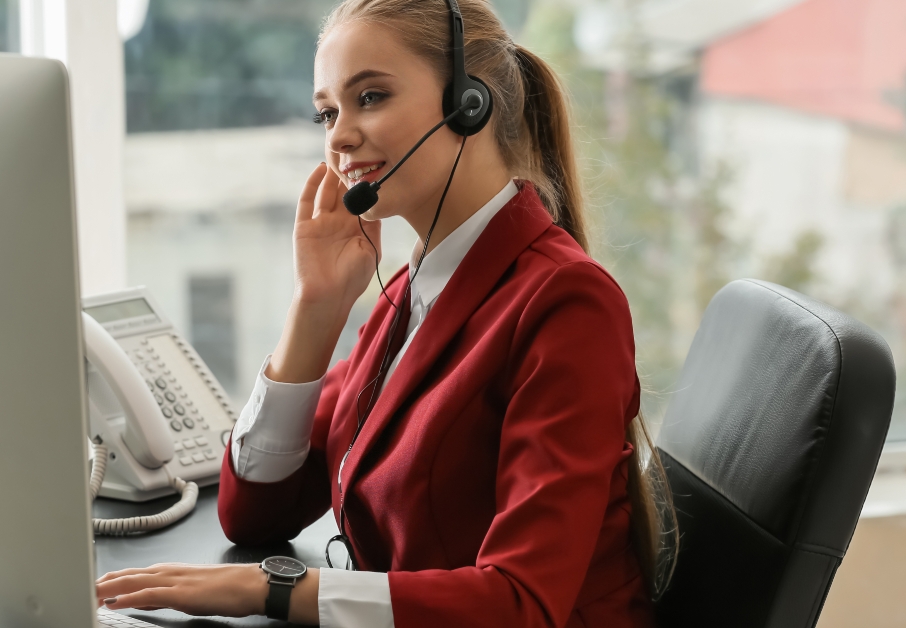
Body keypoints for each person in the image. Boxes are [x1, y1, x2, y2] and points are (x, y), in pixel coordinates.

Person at [94, 0, 676, 626]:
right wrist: (315, 308)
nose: (338, 136)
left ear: (468, 103)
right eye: (327, 112)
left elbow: (522, 603)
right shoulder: (412, 290)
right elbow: (253, 511)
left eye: (370, 97)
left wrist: (277, 591)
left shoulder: (566, 303)